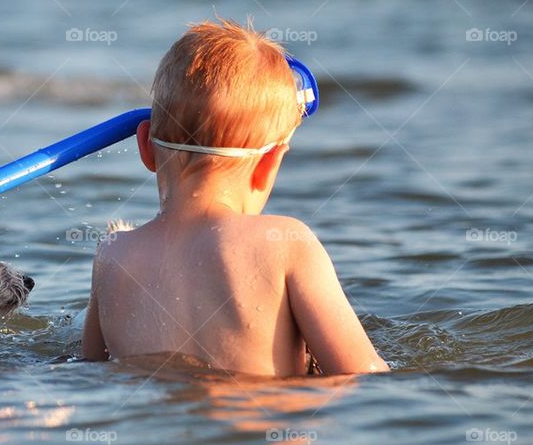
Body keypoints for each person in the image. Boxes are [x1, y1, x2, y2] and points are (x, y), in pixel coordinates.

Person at [81, 19, 387, 376]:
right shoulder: (288, 244)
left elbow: (88, 371)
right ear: (269, 163)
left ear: (146, 147)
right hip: (259, 427)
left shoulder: (113, 255)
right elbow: (365, 377)